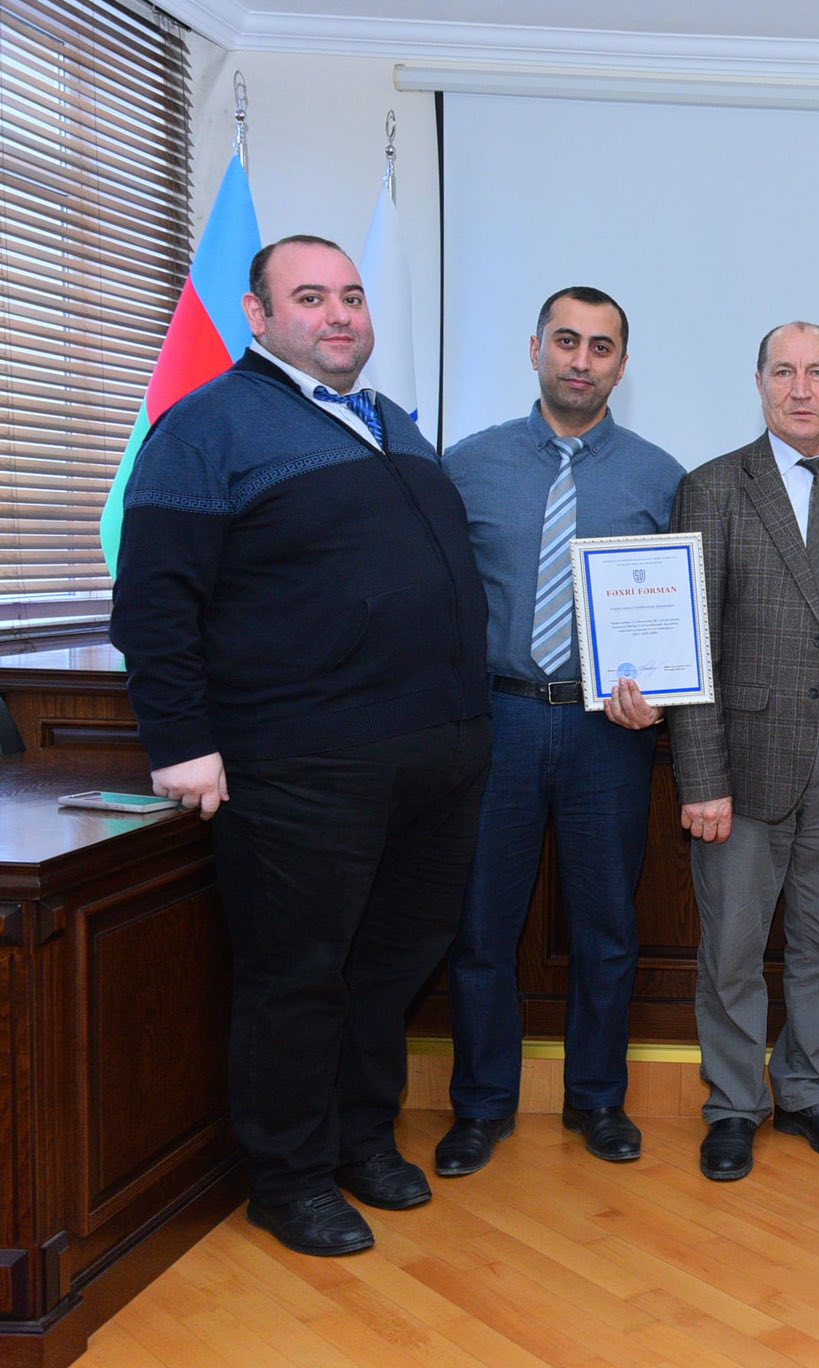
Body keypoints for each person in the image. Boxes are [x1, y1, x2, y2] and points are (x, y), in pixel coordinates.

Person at [108, 235, 491, 1257]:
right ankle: (287, 1178)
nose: (339, 315)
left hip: (437, 759)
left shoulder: (393, 422)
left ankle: (359, 1139)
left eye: (352, 296)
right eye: (311, 297)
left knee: (391, 965)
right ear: (258, 315)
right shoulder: (207, 426)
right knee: (298, 976)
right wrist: (180, 742)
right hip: (302, 764)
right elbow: (153, 602)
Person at [436, 287, 683, 1177]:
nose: (582, 360)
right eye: (567, 341)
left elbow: (683, 613)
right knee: (481, 929)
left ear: (623, 364)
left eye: (601, 347)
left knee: (607, 927)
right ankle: (480, 1107)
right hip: (495, 722)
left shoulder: (662, 478)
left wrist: (663, 692)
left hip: (607, 731)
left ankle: (598, 1101)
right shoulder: (466, 466)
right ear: (535, 348)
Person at [669, 322, 819, 1181]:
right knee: (733, 946)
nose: (801, 389)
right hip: (742, 762)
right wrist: (701, 777)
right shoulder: (712, 488)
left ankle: (809, 1090)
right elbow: (693, 644)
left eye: (817, 372)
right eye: (784, 372)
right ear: (759, 384)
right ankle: (734, 1104)